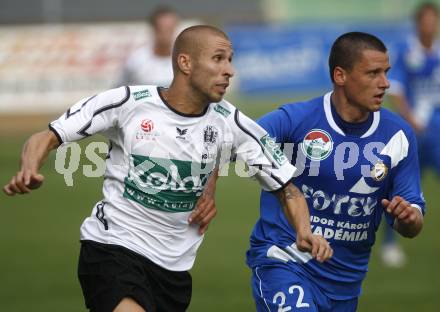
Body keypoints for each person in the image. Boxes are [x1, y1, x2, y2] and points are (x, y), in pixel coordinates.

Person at [3, 25, 332, 312]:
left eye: (230, 60)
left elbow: (286, 187)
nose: (229, 70)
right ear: (185, 62)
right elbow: (47, 135)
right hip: (112, 247)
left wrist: (303, 231)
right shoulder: (127, 102)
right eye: (218, 59)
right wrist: (29, 167)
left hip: (173, 270)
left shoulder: (233, 125)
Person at [243, 32, 425, 311]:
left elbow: (411, 222)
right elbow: (241, 139)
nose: (385, 83)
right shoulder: (298, 119)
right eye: (373, 73)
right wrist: (283, 184)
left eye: (386, 72)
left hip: (345, 283)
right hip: (284, 261)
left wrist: (409, 217)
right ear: (340, 75)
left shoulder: (398, 135)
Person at [384, 2, 439, 267]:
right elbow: (396, 89)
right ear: (418, 24)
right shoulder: (406, 51)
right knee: (399, 191)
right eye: (425, 21)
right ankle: (389, 244)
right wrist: (410, 120)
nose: (430, 26)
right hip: (414, 133)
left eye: (434, 21)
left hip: (437, 132)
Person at [115, 6, 179, 87]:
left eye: (170, 29)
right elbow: (119, 90)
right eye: (161, 29)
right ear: (153, 28)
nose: (166, 35)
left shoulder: (183, 62)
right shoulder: (136, 60)